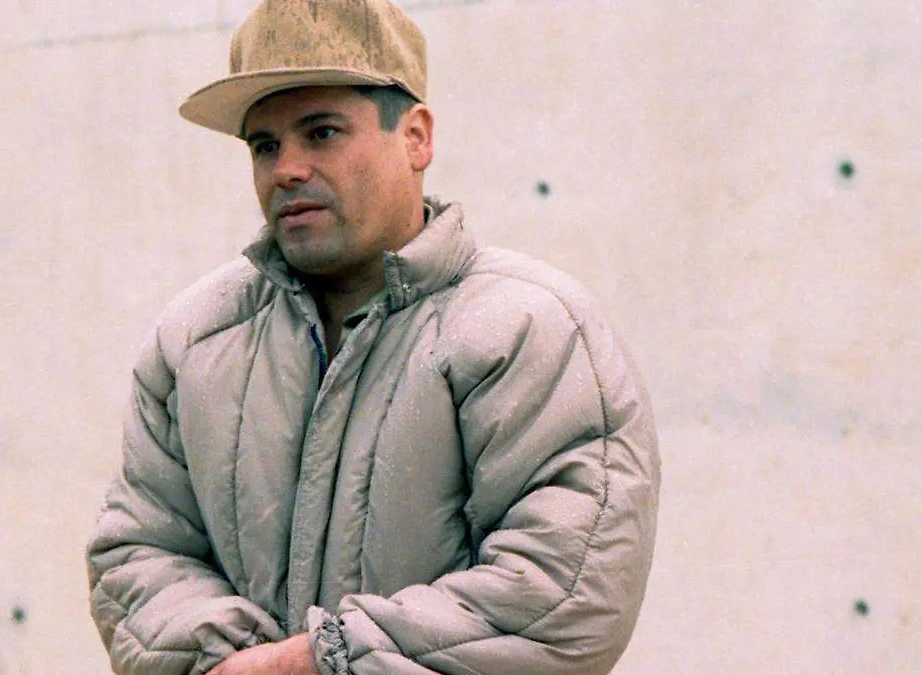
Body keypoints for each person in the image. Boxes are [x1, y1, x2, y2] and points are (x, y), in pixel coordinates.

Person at [86, 1, 660, 673]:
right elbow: (137, 553)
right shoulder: (194, 340)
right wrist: (231, 660)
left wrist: (316, 661)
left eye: (321, 132)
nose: (286, 169)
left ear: (416, 137)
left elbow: (564, 594)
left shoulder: (527, 330)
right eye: (264, 145)